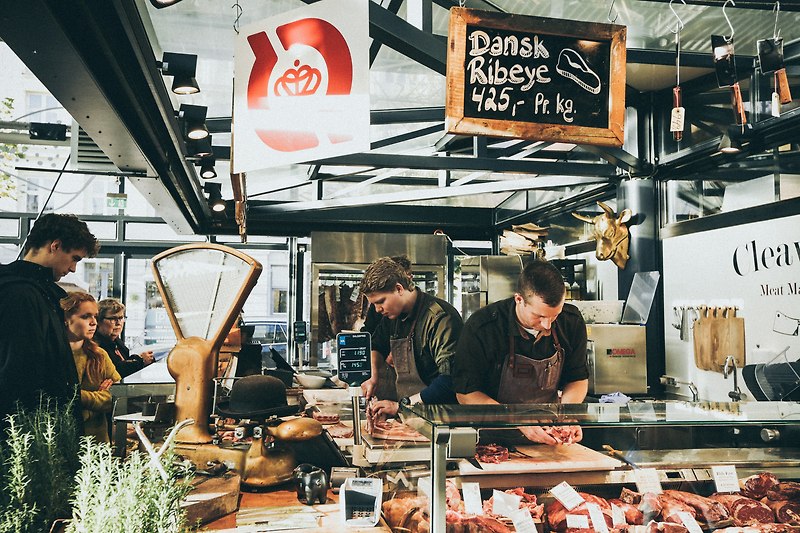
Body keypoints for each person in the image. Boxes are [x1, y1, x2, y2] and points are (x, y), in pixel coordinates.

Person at [451, 260, 589, 445]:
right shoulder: (482, 327)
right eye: (539, 316)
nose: (547, 325)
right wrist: (515, 418)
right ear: (519, 299)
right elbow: (466, 394)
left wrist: (567, 416)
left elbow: (577, 378)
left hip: (551, 440)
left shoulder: (571, 321)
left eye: (554, 315)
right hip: (493, 441)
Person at [0, 213, 99, 431]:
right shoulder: (21, 294)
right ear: (55, 245)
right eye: (74, 258)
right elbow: (21, 371)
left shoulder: (34, 290)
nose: (73, 268)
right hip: (31, 431)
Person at [359, 257, 463, 421]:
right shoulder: (393, 316)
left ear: (399, 289)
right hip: (411, 414)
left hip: (441, 416)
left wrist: (402, 405)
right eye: (374, 304)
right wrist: (373, 376)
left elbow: (450, 380)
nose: (378, 310)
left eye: (381, 302)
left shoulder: (440, 318)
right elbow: (377, 344)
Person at [62, 292, 121, 443]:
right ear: (66, 319)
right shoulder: (53, 356)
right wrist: (97, 398)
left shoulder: (99, 355)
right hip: (62, 440)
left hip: (96, 441)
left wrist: (77, 396)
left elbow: (117, 396)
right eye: (85, 316)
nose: (93, 322)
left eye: (95, 316)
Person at [95, 298, 155, 379]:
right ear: (98, 321)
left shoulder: (117, 341)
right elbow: (115, 371)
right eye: (113, 319)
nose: (118, 323)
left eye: (121, 318)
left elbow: (123, 363)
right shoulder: (95, 345)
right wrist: (140, 361)